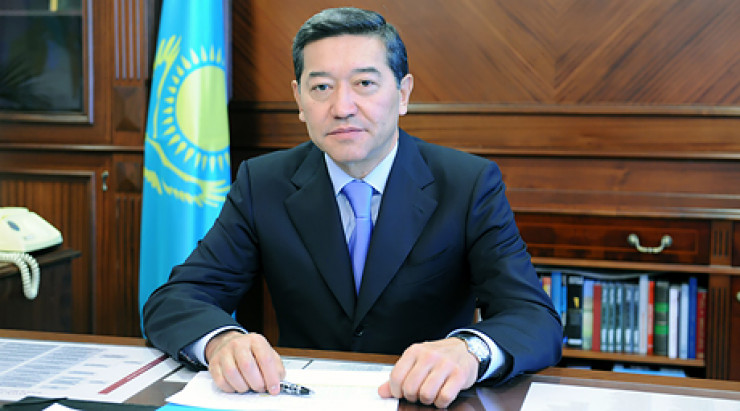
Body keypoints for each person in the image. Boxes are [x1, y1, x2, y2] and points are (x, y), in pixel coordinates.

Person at [143, 7, 562, 408]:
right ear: (299, 100)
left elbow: (534, 318)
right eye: (321, 87)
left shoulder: (467, 184)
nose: (342, 107)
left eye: (364, 83)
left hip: (425, 403)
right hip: (302, 401)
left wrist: (469, 351)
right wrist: (221, 342)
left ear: (403, 93)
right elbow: (175, 300)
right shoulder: (263, 182)